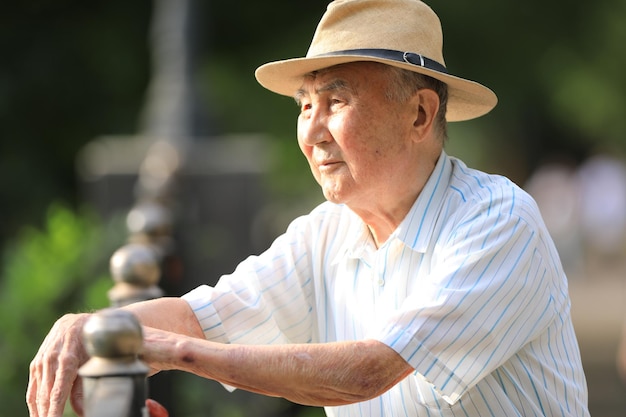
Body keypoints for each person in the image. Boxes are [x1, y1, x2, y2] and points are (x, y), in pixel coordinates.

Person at [27, 1, 590, 416]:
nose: (312, 132)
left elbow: (370, 371)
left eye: (336, 101)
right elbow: (205, 317)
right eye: (304, 106)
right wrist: (91, 330)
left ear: (419, 115)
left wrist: (171, 353)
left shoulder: (498, 221)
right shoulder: (326, 233)